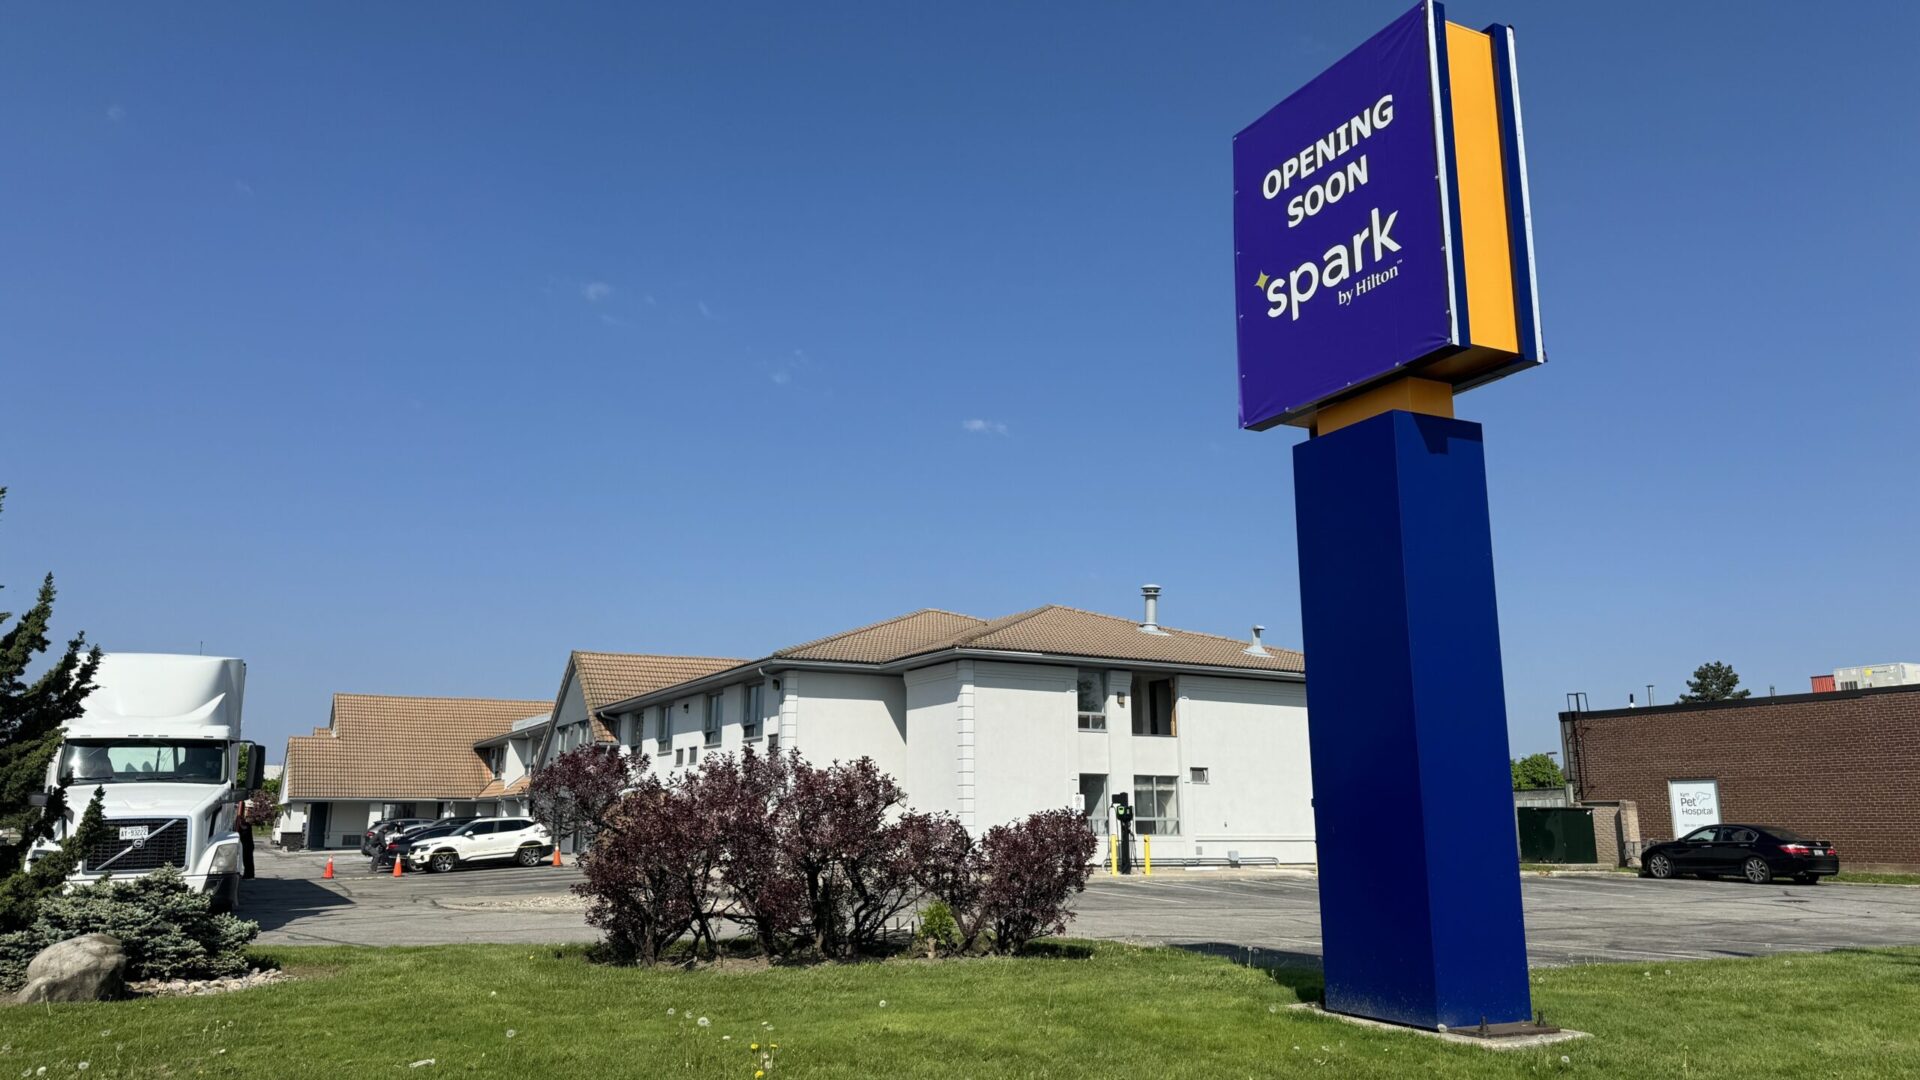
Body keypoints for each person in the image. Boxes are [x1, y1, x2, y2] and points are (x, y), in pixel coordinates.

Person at [236, 798, 256, 879]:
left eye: (249, 809)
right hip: (246, 843)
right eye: (247, 809)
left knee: (247, 860)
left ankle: (249, 875)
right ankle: (248, 875)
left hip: (247, 844)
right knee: (247, 860)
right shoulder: (245, 820)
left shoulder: (246, 821)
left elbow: (243, 827)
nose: (247, 810)